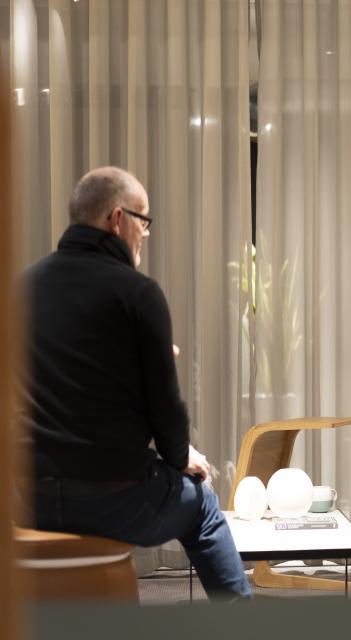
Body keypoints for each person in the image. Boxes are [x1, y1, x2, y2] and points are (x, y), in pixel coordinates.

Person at [21, 167, 251, 600]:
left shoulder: (21, 287)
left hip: (27, 497)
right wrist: (181, 457)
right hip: (111, 499)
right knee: (202, 504)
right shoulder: (137, 294)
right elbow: (166, 414)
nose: (145, 233)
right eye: (143, 221)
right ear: (116, 219)